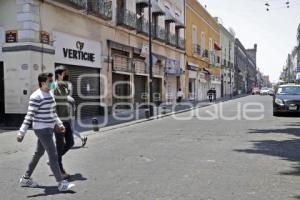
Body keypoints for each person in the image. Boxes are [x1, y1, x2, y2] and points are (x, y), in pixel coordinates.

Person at [17, 72, 75, 192]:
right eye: (50, 81)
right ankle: (61, 183)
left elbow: (53, 113)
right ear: (43, 83)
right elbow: (29, 116)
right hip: (41, 129)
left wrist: (59, 124)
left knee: (38, 153)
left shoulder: (50, 94)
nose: (53, 83)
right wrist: (21, 132)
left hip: (49, 128)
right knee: (53, 155)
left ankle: (25, 178)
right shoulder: (36, 96)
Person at [54, 66, 75, 180]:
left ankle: (55, 159)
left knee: (70, 142)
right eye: (64, 73)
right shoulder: (53, 85)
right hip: (58, 121)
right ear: (59, 74)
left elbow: (67, 97)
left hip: (67, 119)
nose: (66, 75)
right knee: (60, 144)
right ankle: (59, 168)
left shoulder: (65, 85)